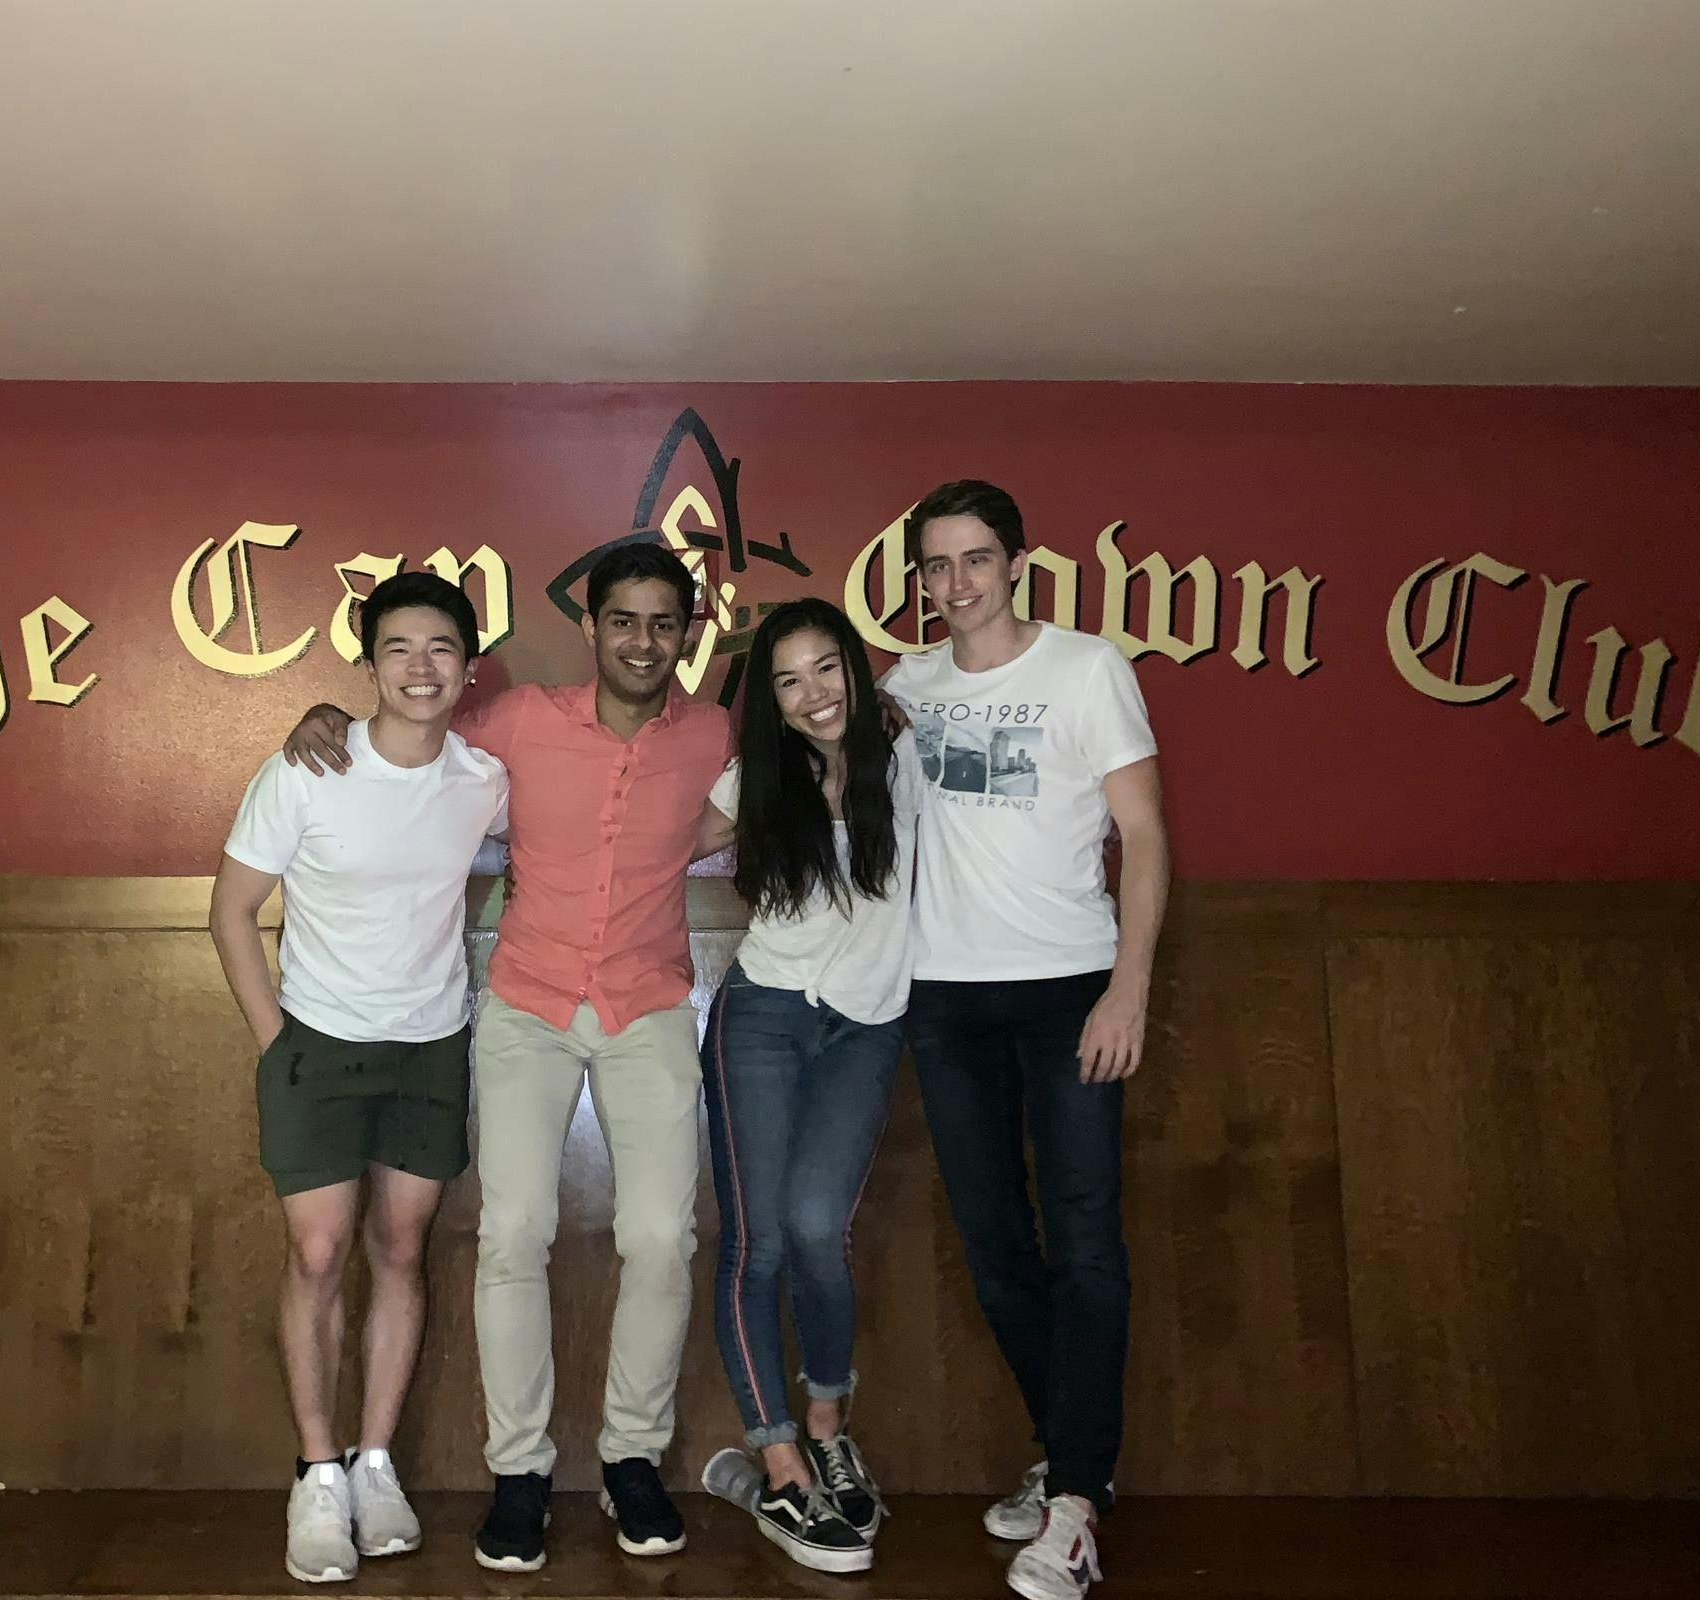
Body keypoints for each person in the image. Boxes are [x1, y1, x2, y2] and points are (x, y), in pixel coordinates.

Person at [281, 543, 730, 1573]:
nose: (643, 641)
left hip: (648, 1002)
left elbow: (785, 774)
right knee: (510, 1233)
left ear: (686, 635)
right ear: (594, 629)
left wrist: (877, 727)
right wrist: (326, 725)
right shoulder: (521, 718)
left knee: (661, 1236)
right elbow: (411, 729)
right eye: (624, 620)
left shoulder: (708, 733)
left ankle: (630, 1457)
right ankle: (519, 1471)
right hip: (525, 1005)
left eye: (665, 624)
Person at [881, 481, 1169, 1600]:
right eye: (934, 566)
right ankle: (1072, 1457)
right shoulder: (905, 685)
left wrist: (1127, 990)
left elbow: (1142, 837)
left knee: (1084, 1239)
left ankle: (1074, 1505)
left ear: (1015, 564)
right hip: (942, 1000)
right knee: (996, 1243)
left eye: (974, 561)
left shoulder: (1086, 669)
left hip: (1068, 994)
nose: (954, 585)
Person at [209, 572, 510, 1584]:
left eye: (439, 649)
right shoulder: (308, 767)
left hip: (430, 1044)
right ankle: (316, 1470)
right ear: (368, 663)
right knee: (317, 1251)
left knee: (400, 1244)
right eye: (397, 648)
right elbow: (230, 910)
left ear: (467, 668)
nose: (419, 668)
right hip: (316, 1044)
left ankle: (376, 1462)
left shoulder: (483, 777)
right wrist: (275, 1041)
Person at [691, 597, 919, 1575]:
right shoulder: (755, 780)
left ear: (855, 673)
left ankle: (826, 1422)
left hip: (865, 1027)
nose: (812, 694)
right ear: (771, 703)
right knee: (760, 1238)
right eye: (788, 680)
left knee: (819, 1225)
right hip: (761, 1020)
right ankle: (778, 1457)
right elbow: (651, 848)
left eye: (826, 669)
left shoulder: (910, 761)